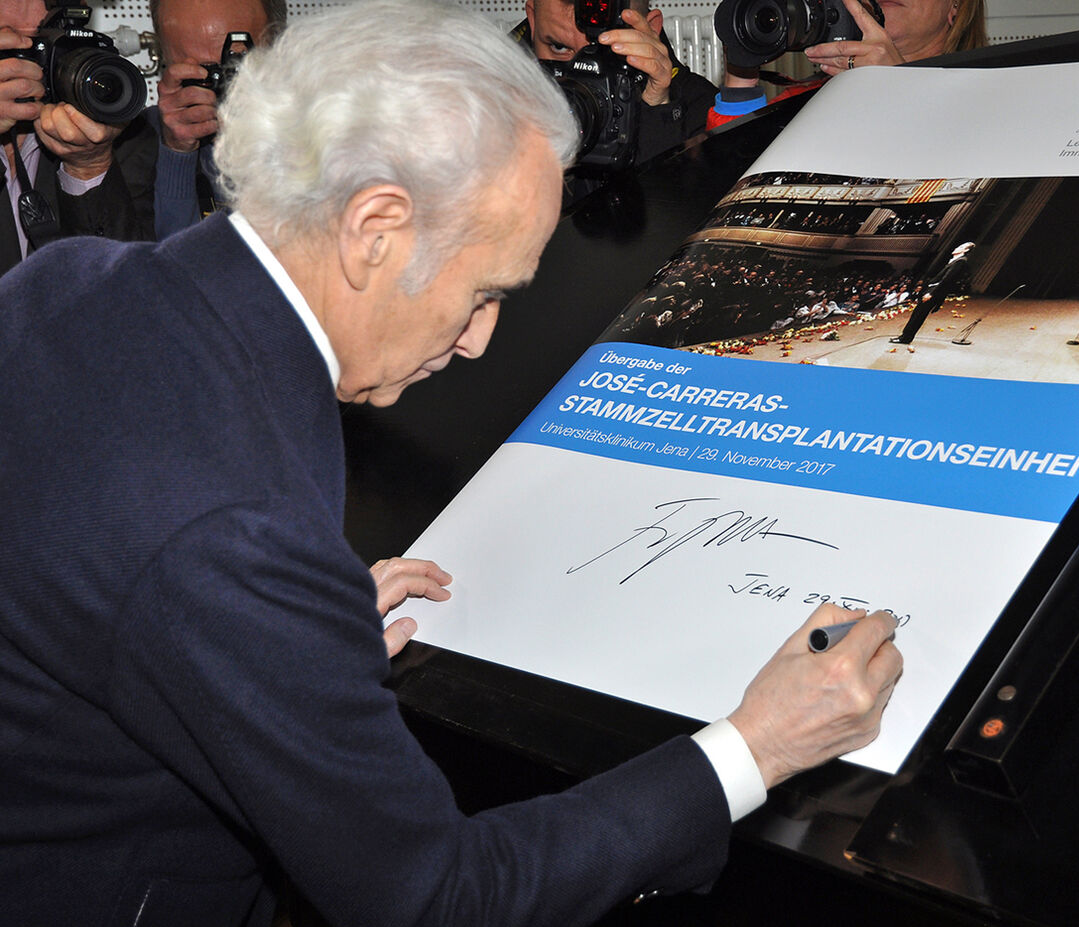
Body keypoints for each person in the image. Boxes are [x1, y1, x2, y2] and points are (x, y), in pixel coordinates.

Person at [0, 3, 902, 926]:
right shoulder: (229, 531)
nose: (479, 341)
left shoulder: (71, 279)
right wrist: (758, 747)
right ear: (375, 227)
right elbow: (435, 896)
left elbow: (97, 568)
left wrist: (289, 635)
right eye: (485, 290)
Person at [0, 0, 154, 273]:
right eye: (13, 49)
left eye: (46, 46)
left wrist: (89, 166)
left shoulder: (124, 136)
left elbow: (127, 291)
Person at [515, 0, 715, 198]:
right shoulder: (500, 103)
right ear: (532, 20)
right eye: (558, 47)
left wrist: (657, 112)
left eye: (609, 51)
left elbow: (673, 220)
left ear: (650, 29)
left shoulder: (701, 111)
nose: (583, 76)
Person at [708, 0, 988, 128]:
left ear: (957, 6)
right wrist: (742, 72)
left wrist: (899, 88)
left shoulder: (988, 95)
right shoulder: (808, 99)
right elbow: (737, 182)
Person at [146, 0, 285, 237]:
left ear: (277, 47)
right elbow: (175, 267)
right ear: (165, 58)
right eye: (202, 71)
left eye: (235, 63)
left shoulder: (328, 132)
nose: (221, 83)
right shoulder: (129, 149)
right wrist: (178, 153)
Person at [890, 239, 974, 344]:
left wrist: (931, 293)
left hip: (934, 292)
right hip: (932, 290)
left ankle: (905, 338)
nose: (957, 248)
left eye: (961, 247)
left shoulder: (960, 261)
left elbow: (946, 280)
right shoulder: (955, 260)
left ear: (965, 250)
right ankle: (905, 336)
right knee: (917, 314)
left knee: (918, 316)